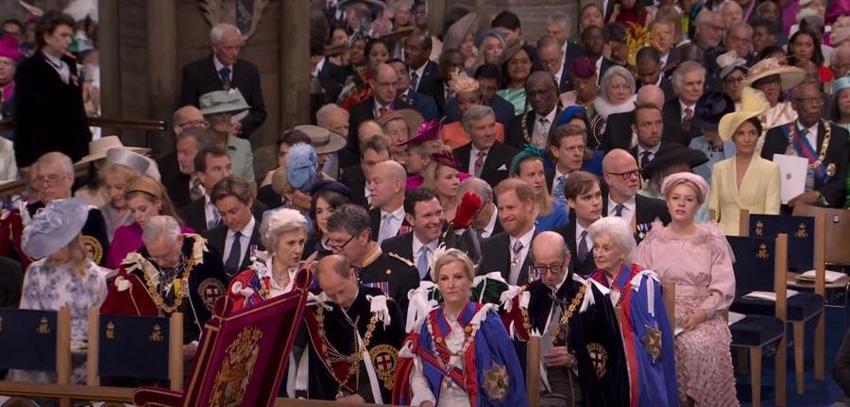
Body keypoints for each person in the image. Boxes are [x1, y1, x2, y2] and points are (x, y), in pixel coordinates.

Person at [633, 172, 737, 406]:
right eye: (675, 198)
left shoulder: (712, 241)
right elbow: (639, 283)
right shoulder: (652, 240)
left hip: (701, 315)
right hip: (658, 313)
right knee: (644, 344)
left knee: (694, 346)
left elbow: (723, 288)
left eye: (688, 199)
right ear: (667, 202)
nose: (681, 204)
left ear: (697, 205)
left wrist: (702, 313)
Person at [500, 232, 628, 406]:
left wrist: (575, 358)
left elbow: (610, 356)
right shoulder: (525, 297)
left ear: (566, 259)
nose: (549, 275)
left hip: (576, 387)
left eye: (555, 267)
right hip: (528, 385)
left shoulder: (590, 297)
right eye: (541, 268)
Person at [393, 249, 526, 406]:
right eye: (444, 278)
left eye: (458, 277)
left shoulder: (487, 321)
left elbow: (510, 379)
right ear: (437, 284)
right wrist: (424, 398)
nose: (451, 285)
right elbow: (418, 372)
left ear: (470, 280)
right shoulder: (427, 324)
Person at [100, 216, 228, 357]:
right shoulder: (137, 264)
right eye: (155, 257)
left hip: (198, 350)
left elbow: (219, 313)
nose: (160, 262)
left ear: (179, 240)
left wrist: (198, 345)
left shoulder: (205, 258)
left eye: (165, 255)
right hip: (153, 351)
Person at [12, 198, 108, 384]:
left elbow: (100, 323)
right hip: (42, 349)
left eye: (59, 242)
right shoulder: (35, 271)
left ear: (72, 240)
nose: (54, 247)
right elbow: (28, 316)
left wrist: (71, 342)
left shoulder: (93, 275)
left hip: (84, 354)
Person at [588, 216, 678, 406]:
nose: (598, 254)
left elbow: (651, 341)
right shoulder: (590, 282)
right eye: (596, 247)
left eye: (606, 248)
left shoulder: (642, 283)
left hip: (638, 364)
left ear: (622, 253)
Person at [298, 254, 405, 403]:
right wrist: (297, 288)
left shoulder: (383, 310)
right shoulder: (315, 309)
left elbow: (394, 364)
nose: (339, 300)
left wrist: (365, 397)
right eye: (331, 295)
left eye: (341, 291)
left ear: (352, 274)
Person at [13, 11, 90, 169]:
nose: (69, 41)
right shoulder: (29, 68)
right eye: (63, 35)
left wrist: (86, 138)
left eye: (70, 36)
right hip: (45, 148)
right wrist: (23, 160)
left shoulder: (69, 63)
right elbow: (23, 114)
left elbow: (77, 106)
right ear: (47, 37)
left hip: (77, 146)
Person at [761, 81, 850, 208]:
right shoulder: (776, 135)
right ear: (794, 104)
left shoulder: (839, 136)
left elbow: (842, 181)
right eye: (808, 100)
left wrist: (818, 195)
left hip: (824, 211)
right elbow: (765, 177)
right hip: (785, 210)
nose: (814, 105)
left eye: (818, 100)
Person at [711, 87, 781, 235]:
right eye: (741, 134)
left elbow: (771, 214)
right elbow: (713, 212)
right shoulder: (719, 169)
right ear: (733, 137)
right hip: (723, 240)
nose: (747, 139)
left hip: (755, 239)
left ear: (758, 136)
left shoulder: (770, 169)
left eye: (752, 133)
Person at [179, 23, 266, 139]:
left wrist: (240, 125)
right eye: (229, 48)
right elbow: (187, 113)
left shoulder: (249, 71)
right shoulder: (194, 72)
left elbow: (259, 112)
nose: (235, 53)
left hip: (239, 140)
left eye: (238, 47)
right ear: (215, 47)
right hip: (205, 141)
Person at [325, 204, 418, 310]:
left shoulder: (402, 273)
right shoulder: (329, 271)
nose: (334, 250)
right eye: (331, 242)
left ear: (364, 237)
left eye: (339, 242)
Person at [26, 152, 109, 266]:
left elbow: (96, 260)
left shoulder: (89, 216)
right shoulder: (28, 217)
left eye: (53, 178)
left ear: (70, 178)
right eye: (40, 179)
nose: (45, 185)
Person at [106, 175, 193, 269]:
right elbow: (114, 272)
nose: (137, 216)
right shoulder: (123, 235)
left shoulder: (185, 234)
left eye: (142, 209)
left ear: (158, 204)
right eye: (133, 211)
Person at [603, 149, 671, 242]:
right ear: (608, 178)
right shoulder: (595, 211)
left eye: (636, 172)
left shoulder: (660, 209)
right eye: (626, 174)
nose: (634, 178)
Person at [203, 176, 264, 278]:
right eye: (222, 214)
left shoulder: (266, 239)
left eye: (233, 212)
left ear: (249, 202)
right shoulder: (209, 239)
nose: (229, 220)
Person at [479, 178, 537, 285]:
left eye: (510, 208)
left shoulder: (548, 247)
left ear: (528, 205)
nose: (504, 215)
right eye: (501, 209)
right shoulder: (487, 248)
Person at [743, 57, 806, 149]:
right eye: (765, 83)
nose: (771, 87)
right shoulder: (746, 113)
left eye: (775, 82)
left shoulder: (791, 110)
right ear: (755, 88)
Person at [198, 89, 255, 182]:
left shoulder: (243, 146)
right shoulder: (197, 146)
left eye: (228, 113)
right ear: (207, 118)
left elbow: (249, 184)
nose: (225, 118)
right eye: (219, 114)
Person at [455, 105, 519, 187]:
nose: (489, 133)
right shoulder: (455, 156)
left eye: (492, 126)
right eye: (481, 128)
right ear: (467, 132)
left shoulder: (513, 156)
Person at [439, 70, 505, 149]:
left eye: (472, 101)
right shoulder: (447, 130)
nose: (467, 106)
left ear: (481, 102)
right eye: (461, 102)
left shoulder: (497, 128)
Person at [510, 148, 569, 232]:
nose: (538, 180)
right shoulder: (507, 210)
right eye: (531, 175)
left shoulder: (558, 212)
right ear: (516, 178)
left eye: (541, 173)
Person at [178, 146, 233, 232]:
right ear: (201, 176)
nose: (226, 174)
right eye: (217, 169)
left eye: (228, 167)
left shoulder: (249, 208)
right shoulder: (185, 216)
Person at [559, 171, 603, 276]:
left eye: (598, 195)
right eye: (587, 198)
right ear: (571, 202)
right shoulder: (560, 238)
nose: (596, 203)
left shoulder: (616, 235)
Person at [689, 91, 738, 182]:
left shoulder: (739, 146)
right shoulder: (695, 145)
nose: (702, 130)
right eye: (702, 126)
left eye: (708, 128)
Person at [507, 71, 562, 150]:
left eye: (542, 92)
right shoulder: (516, 125)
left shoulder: (569, 120)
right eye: (532, 94)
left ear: (554, 92)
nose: (537, 98)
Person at [339, 135, 390, 208]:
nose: (377, 170)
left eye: (382, 163)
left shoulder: (402, 191)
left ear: (392, 161)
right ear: (362, 164)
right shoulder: (347, 192)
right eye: (371, 164)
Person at [304, 180, 350, 259]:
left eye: (331, 210)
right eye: (319, 212)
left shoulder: (354, 246)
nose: (324, 217)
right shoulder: (309, 247)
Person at [497, 44, 538, 116]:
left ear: (531, 64)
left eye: (524, 62)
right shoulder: (497, 96)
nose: (519, 66)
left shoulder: (537, 94)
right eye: (513, 62)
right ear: (506, 65)